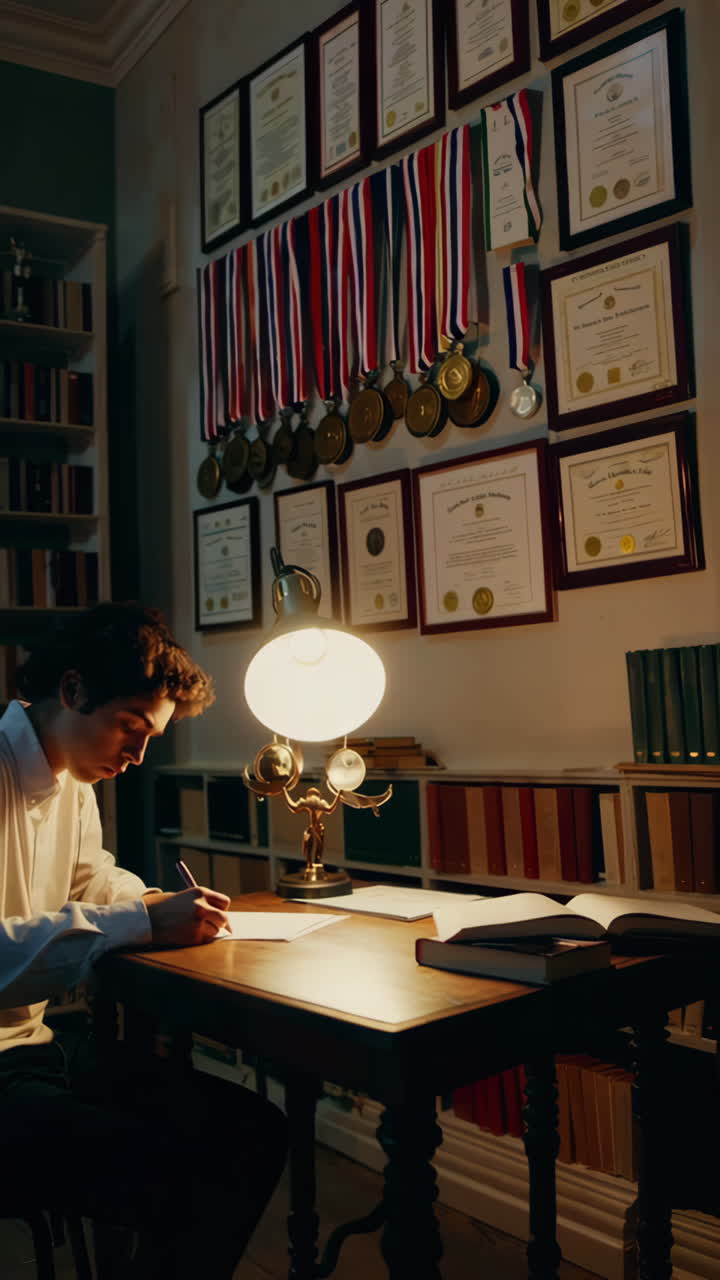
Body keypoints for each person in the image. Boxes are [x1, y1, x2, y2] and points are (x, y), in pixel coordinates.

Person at [0, 602, 287, 1278]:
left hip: (33, 1047)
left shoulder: (69, 776)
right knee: (196, 1176)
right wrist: (141, 923)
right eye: (131, 726)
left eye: (151, 736)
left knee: (255, 1131)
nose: (137, 755)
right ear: (72, 689)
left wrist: (155, 903)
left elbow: (89, 877)